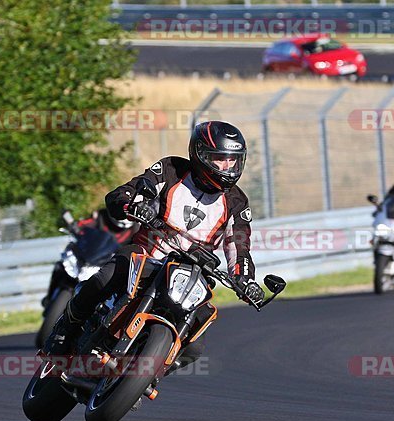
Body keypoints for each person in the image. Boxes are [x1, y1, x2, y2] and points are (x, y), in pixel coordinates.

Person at [43, 120, 264, 365]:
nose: (227, 166)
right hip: (148, 253)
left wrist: (245, 280)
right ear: (200, 154)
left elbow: (239, 245)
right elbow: (125, 192)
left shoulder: (237, 202)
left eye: (233, 160)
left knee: (195, 346)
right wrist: (132, 204)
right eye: (219, 159)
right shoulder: (171, 169)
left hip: (191, 274)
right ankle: (65, 331)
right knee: (105, 276)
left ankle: (143, 378)